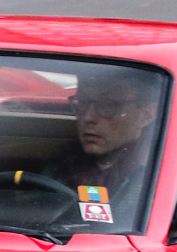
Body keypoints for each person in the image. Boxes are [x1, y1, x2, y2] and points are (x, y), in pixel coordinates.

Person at [39, 71, 162, 224]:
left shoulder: (157, 173)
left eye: (107, 105)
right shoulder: (63, 161)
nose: (88, 117)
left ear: (146, 115)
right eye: (83, 103)